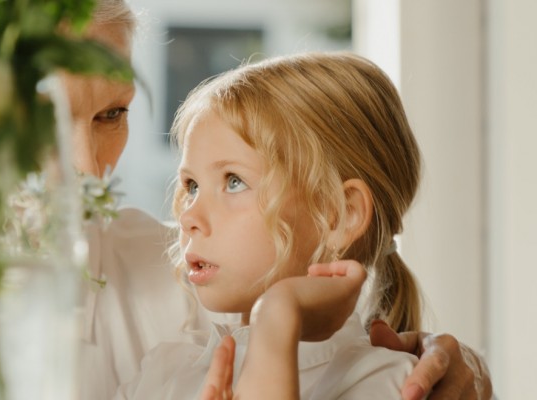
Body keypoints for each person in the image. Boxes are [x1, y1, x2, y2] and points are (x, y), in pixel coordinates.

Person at [0, 1, 491, 399]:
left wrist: (462, 375)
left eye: (110, 115)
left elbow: (335, 348)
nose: (84, 167)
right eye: (38, 111)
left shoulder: (190, 282)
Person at [114, 52, 484, 400]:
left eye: (233, 181)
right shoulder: (159, 375)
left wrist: (276, 320)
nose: (189, 216)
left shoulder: (388, 383)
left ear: (340, 215)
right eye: (191, 186)